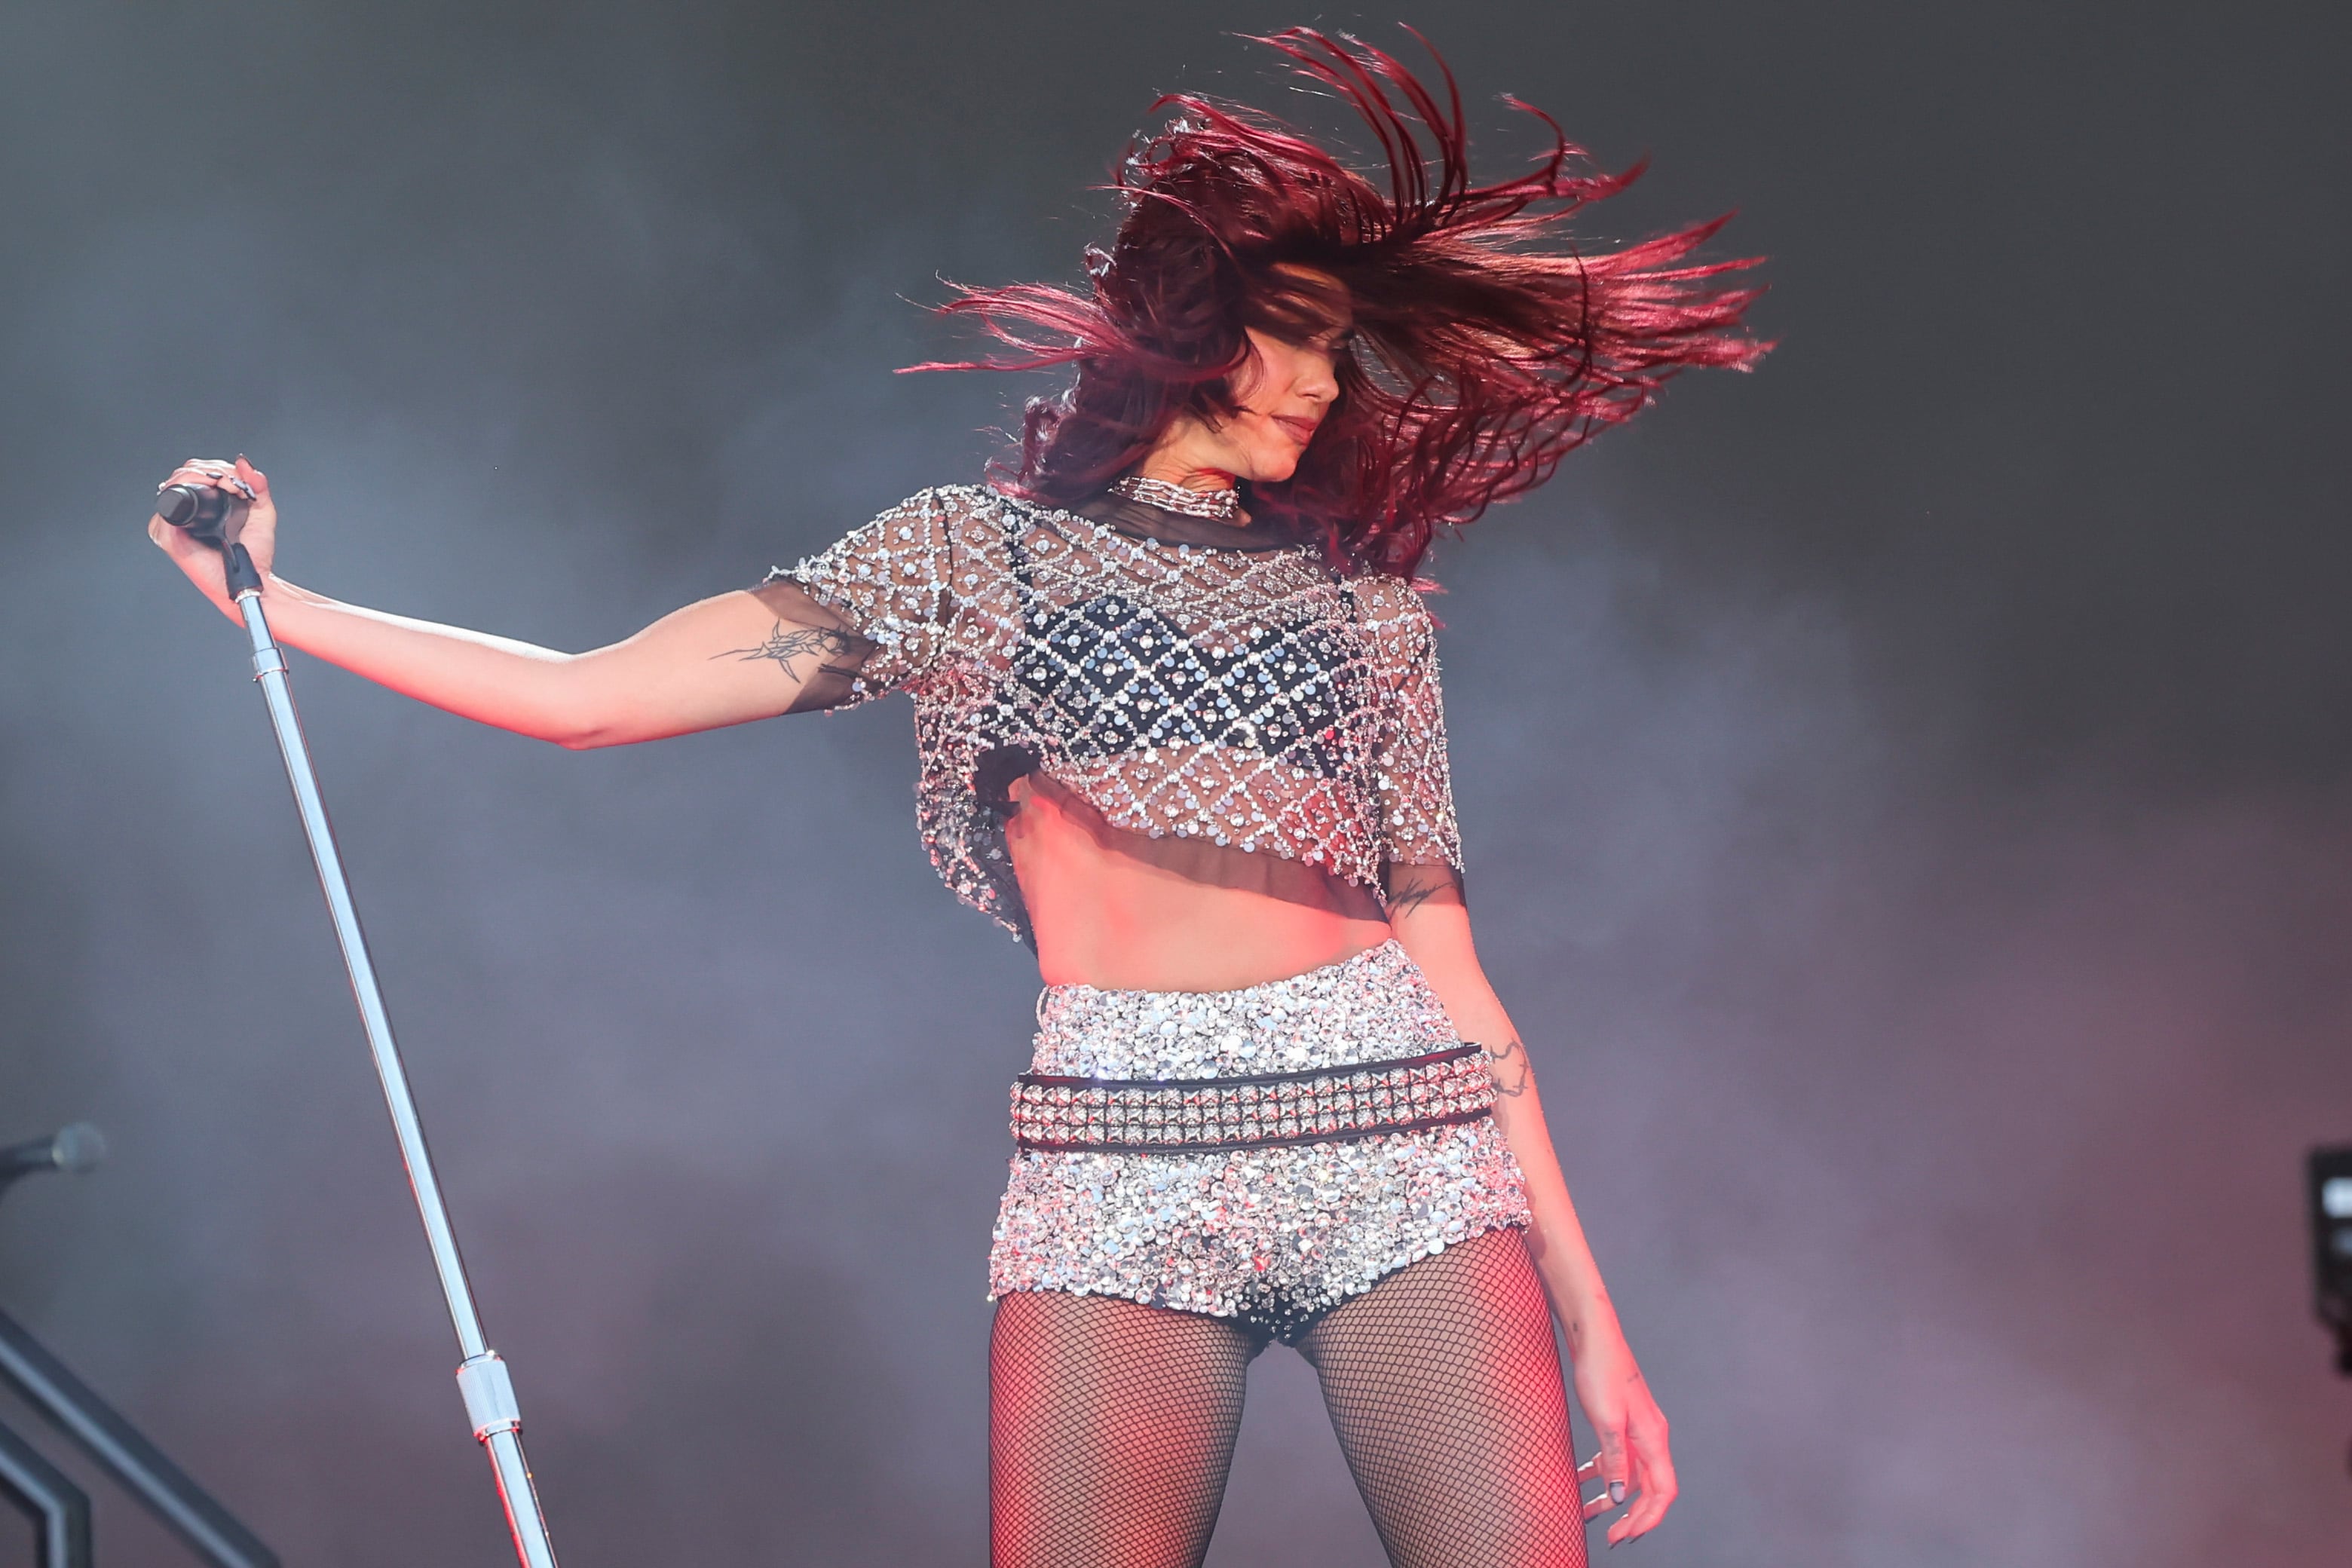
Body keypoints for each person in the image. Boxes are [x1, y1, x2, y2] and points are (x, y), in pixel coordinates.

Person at [151, 29, 1761, 1567]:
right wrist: (274, 607)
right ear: (1194, 317)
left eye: (1345, 346)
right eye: (1301, 334)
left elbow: (1456, 972)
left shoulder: (1367, 617)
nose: (1330, 382)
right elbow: (593, 694)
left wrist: (1592, 1312)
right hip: (1108, 1152)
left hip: (1400, 1132)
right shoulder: (971, 557)